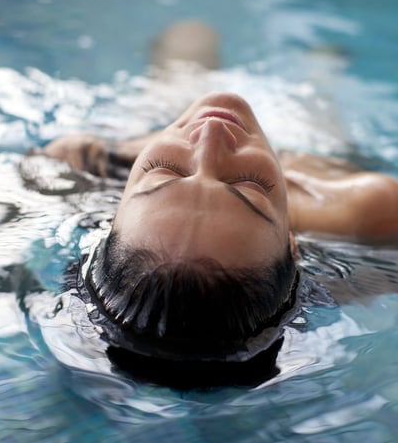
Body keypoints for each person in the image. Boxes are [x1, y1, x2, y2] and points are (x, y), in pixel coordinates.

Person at [35, 21, 398, 380]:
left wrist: (139, 149)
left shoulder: (81, 165)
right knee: (320, 72)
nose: (211, 134)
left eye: (165, 170)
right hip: (312, 160)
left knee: (189, 38)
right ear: (292, 244)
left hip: (136, 141)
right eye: (249, 184)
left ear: (112, 217)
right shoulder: (367, 211)